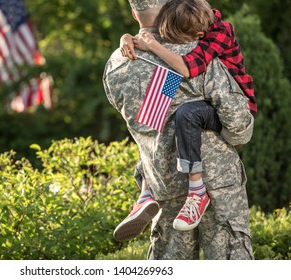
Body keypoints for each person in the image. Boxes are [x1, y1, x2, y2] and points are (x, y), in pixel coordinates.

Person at [103, 0, 254, 259]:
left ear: (133, 13)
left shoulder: (117, 62)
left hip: (163, 181)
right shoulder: (195, 51)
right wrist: (234, 139)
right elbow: (238, 123)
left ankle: (144, 192)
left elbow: (144, 125)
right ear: (171, 11)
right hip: (216, 181)